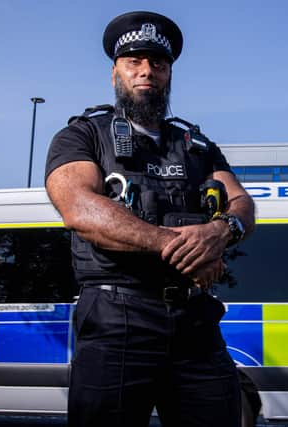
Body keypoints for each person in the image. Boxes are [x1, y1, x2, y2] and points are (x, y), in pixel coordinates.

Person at [44, 10, 255, 427]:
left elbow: (242, 204)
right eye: (134, 62)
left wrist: (220, 230)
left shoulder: (196, 145)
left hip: (196, 323)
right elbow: (79, 209)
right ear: (115, 73)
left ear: (169, 73)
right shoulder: (84, 135)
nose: (146, 71)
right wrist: (183, 246)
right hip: (117, 318)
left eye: (157, 63)